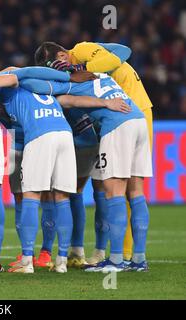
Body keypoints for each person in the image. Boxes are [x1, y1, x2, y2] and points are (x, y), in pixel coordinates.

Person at [0, 73, 130, 273]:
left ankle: (27, 261)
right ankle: (62, 261)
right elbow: (71, 100)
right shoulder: (44, 89)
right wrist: (106, 103)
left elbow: (11, 76)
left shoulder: (7, 88)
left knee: (30, 195)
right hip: (64, 136)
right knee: (62, 197)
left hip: (39, 135)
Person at [18, 73, 152, 272]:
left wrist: (60, 77)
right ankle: (139, 259)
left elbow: (40, 86)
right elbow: (120, 52)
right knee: (136, 192)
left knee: (111, 192)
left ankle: (114, 260)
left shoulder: (68, 84)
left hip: (112, 128)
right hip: (138, 119)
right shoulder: (101, 75)